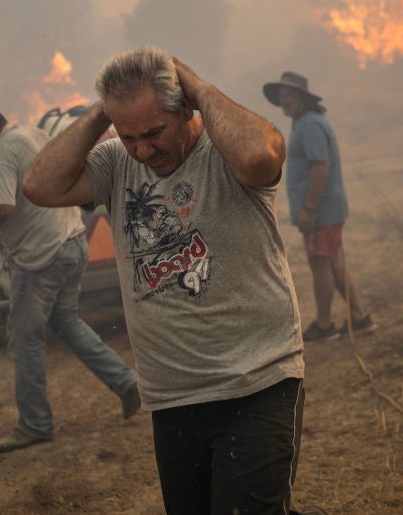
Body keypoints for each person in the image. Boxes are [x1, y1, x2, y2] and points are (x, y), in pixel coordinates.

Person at [22, 47, 311, 515]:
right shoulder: (117, 163)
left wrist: (197, 85)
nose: (143, 150)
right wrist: (103, 112)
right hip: (171, 396)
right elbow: (40, 186)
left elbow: (261, 156)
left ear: (185, 109)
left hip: (257, 381)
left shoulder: (227, 149)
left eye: (154, 132)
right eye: (129, 135)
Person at [0, 97, 140, 453]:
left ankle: (35, 423)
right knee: (68, 322)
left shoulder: (2, 151)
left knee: (25, 339)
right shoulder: (33, 133)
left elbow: (1, 207)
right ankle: (126, 382)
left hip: (40, 257)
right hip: (71, 243)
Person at [263, 71, 373, 342]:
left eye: (289, 93)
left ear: (302, 97)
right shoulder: (305, 123)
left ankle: (324, 325)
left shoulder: (310, 125)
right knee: (333, 264)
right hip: (325, 209)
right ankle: (359, 318)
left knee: (319, 264)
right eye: (281, 94)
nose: (284, 99)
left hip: (321, 211)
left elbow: (320, 167)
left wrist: (310, 208)